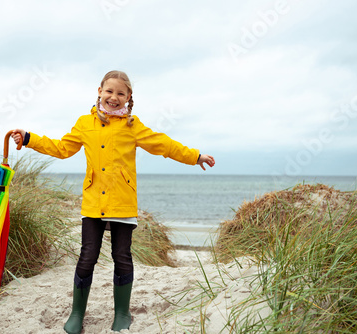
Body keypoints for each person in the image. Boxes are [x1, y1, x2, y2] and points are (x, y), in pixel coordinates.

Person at [12, 70, 215, 334]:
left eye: (121, 93)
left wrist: (195, 156)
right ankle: (76, 314)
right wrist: (29, 138)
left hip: (122, 201)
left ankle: (122, 314)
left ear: (129, 97)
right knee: (87, 257)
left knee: (122, 257)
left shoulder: (133, 126)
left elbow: (162, 144)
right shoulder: (85, 123)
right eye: (109, 91)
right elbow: (62, 148)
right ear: (99, 91)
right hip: (94, 200)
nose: (114, 98)